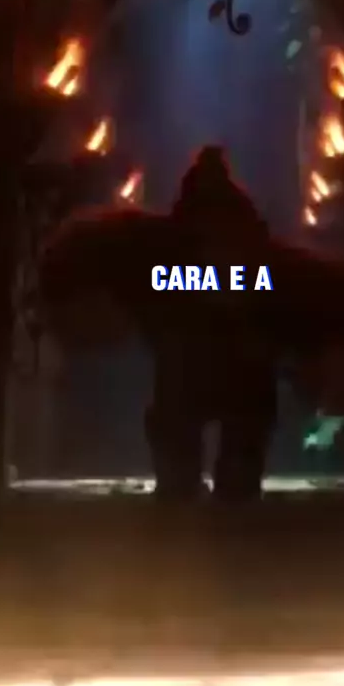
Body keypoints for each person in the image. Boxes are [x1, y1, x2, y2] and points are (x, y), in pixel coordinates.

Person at [145, 146, 276, 501]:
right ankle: (202, 480)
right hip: (205, 337)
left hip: (220, 337)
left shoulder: (200, 218)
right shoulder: (220, 217)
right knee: (189, 416)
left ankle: (211, 480)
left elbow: (260, 278)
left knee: (230, 416)